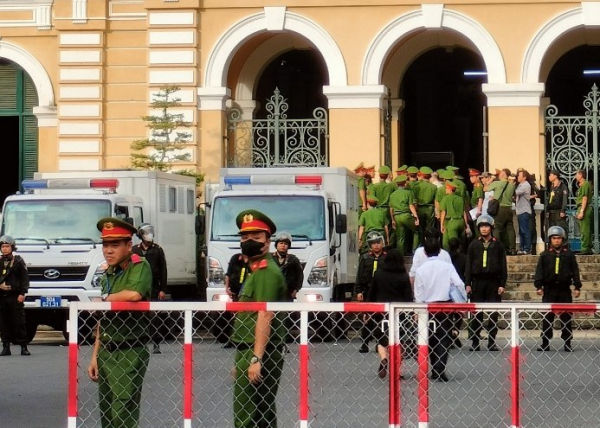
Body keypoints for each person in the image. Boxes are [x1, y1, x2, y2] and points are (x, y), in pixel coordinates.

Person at [87, 217, 152, 428]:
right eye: (105, 245)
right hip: (106, 349)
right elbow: (102, 320)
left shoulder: (139, 265)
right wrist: (95, 356)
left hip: (129, 350)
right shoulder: (108, 273)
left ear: (128, 245)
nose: (108, 250)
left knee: (122, 415)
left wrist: (105, 299)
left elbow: (134, 294)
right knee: (106, 414)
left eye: (115, 245)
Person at [230, 209, 287, 428]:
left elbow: (265, 314)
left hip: (259, 349)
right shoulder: (255, 269)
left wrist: (255, 358)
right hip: (251, 348)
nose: (249, 242)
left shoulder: (265, 271)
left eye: (256, 237)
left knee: (246, 411)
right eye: (244, 238)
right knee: (261, 410)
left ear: (268, 241)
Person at [414, 233, 465, 382]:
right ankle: (439, 368)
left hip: (427, 308)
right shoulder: (448, 267)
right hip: (445, 306)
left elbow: (418, 293)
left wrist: (418, 310)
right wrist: (461, 301)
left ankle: (434, 366)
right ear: (440, 250)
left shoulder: (420, 270)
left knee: (430, 338)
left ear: (424, 251)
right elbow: (459, 284)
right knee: (444, 338)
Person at [367, 249, 414, 378]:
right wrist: (410, 312)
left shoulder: (378, 274)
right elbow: (408, 298)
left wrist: (368, 310)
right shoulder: (404, 276)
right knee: (399, 342)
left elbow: (372, 294)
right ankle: (397, 371)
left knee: (382, 340)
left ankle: (383, 359)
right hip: (399, 313)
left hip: (381, 311)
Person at [535, 226, 582, 352]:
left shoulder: (569, 255)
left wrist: (577, 286)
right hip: (549, 289)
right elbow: (539, 271)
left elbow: (575, 271)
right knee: (547, 317)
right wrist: (539, 286)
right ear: (550, 240)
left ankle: (567, 342)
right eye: (554, 238)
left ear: (563, 239)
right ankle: (545, 342)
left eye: (559, 238)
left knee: (566, 317)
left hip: (564, 289)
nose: (556, 241)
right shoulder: (545, 255)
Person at [465, 214, 507, 351]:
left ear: (491, 228)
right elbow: (468, 265)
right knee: (477, 313)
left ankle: (491, 341)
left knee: (493, 312)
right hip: (478, 282)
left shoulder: (498, 245)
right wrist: (468, 283)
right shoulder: (473, 245)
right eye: (481, 226)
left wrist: (502, 284)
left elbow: (503, 265)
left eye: (486, 226)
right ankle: (475, 341)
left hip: (493, 282)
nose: (484, 229)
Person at [132, 223, 167, 354]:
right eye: (146, 232)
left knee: (155, 317)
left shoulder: (157, 250)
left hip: (154, 287)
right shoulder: (135, 250)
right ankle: (138, 341)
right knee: (138, 315)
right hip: (139, 287)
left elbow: (163, 270)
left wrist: (163, 289)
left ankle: (156, 343)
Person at [355, 231, 387, 353]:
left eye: (378, 243)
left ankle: (380, 342)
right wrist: (358, 291)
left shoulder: (386, 257)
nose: (376, 246)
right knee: (367, 317)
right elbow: (359, 275)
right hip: (368, 291)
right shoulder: (365, 257)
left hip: (381, 291)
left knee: (381, 318)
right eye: (373, 243)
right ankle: (365, 343)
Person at [0, 235, 31, 356]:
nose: (5, 249)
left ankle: (24, 346)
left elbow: (25, 278)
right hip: (2, 297)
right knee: (3, 323)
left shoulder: (18, 261)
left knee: (19, 322)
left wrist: (22, 293)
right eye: (3, 246)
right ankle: (6, 347)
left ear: (12, 247)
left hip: (15, 296)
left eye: (7, 246)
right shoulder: (0, 262)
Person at [487, 168, 516, 255]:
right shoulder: (511, 185)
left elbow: (486, 188)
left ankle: (497, 248)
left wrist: (491, 179)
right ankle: (513, 248)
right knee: (510, 229)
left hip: (500, 208)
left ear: (503, 174)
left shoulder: (497, 183)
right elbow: (513, 196)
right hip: (509, 209)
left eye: (500, 174)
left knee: (497, 228)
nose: (498, 175)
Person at [389, 175, 419, 254]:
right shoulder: (408, 192)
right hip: (406, 215)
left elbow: (391, 209)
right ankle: (414, 251)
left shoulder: (392, 195)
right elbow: (411, 206)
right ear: (405, 183)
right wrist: (416, 216)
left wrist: (392, 220)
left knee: (400, 237)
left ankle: (400, 255)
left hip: (397, 217)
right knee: (416, 231)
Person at [272, 232, 303, 300]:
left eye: (285, 244)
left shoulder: (293, 260)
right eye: (281, 243)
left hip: (288, 294)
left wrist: (295, 290)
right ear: (276, 245)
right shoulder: (270, 258)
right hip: (272, 293)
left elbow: (300, 276)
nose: (283, 245)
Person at [440, 181, 470, 250]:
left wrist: (441, 224)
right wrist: (466, 224)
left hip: (452, 222)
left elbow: (443, 212)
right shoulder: (460, 199)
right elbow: (464, 212)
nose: (445, 190)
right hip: (461, 221)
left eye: (446, 188)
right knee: (461, 241)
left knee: (451, 243)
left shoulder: (445, 198)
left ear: (450, 189)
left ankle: (452, 257)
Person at [575, 169, 593, 255]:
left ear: (581, 175)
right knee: (583, 229)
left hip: (584, 208)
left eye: (576, 174)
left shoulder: (585, 184)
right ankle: (587, 247)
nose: (575, 176)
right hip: (582, 207)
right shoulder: (583, 185)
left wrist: (582, 211)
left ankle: (585, 248)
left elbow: (585, 198)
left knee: (584, 230)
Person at [515, 169, 532, 254]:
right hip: (520, 210)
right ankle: (522, 248)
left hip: (524, 210)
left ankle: (527, 248)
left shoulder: (525, 185)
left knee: (525, 230)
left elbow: (515, 193)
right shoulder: (520, 185)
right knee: (521, 231)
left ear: (524, 177)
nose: (517, 177)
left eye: (519, 175)